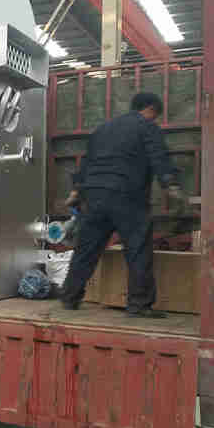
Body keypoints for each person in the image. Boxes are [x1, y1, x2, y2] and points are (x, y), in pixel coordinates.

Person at [60, 91, 182, 317]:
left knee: (85, 249)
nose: (154, 119)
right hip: (127, 196)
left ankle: (69, 297)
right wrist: (171, 185)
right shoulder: (147, 126)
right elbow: (158, 156)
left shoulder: (102, 129)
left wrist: (76, 191)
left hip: (95, 196)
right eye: (155, 115)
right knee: (137, 250)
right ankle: (139, 305)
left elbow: (87, 162)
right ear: (150, 109)